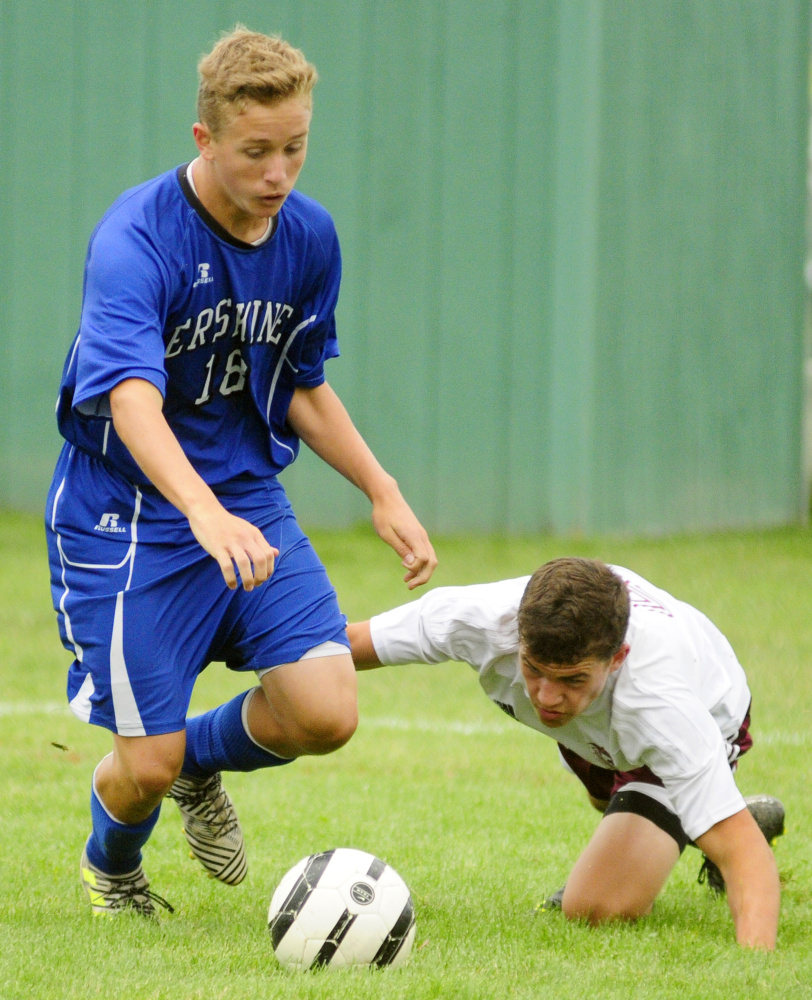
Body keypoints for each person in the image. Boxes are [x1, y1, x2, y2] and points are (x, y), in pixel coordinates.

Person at [45, 26, 436, 918]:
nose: (278, 173)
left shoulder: (308, 238)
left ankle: (199, 768)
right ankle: (113, 866)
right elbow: (134, 402)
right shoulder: (134, 239)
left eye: (295, 148)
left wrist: (383, 490)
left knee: (325, 710)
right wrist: (201, 513)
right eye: (256, 152)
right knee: (144, 761)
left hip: (248, 497)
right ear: (205, 139)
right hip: (131, 517)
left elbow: (300, 383)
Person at [348, 557, 784, 950]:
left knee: (594, 909)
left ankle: (715, 813)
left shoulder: (664, 710)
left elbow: (744, 855)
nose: (547, 697)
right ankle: (697, 815)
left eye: (571, 679)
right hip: (592, 730)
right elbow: (341, 646)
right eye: (533, 669)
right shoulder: (476, 619)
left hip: (700, 713)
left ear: (617, 659)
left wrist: (754, 971)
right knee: (603, 801)